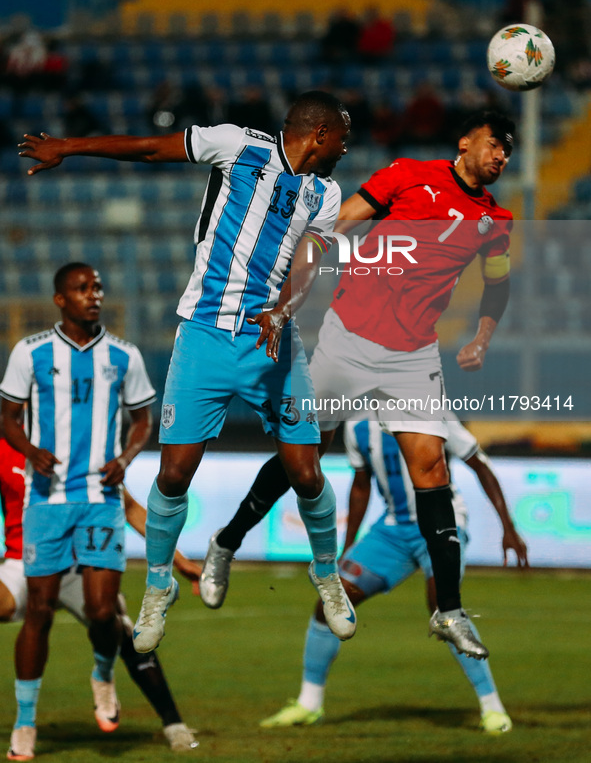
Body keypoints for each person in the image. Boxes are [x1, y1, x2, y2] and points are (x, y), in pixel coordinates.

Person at [17, 91, 356, 654]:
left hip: (274, 340)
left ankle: (327, 576)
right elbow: (152, 149)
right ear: (319, 133)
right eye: (343, 136)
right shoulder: (239, 145)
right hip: (203, 335)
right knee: (174, 474)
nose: (347, 148)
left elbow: (310, 260)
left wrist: (282, 310)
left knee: (307, 470)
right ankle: (157, 587)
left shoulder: (325, 193)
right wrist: (69, 148)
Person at [197, 109, 516, 661]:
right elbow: (334, 227)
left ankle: (450, 610)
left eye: (508, 151)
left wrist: (483, 336)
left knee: (432, 468)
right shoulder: (407, 174)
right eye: (494, 144)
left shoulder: (499, 222)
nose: (501, 156)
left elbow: (496, 289)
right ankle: (226, 541)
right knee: (304, 453)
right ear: (465, 141)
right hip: (350, 337)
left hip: (414, 354)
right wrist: (286, 298)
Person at [259, 416, 528, 734]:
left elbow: (479, 464)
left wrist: (508, 528)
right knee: (330, 603)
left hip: (444, 521)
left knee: (443, 607)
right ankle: (309, 704)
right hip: (393, 531)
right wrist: (348, 546)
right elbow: (361, 485)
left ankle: (493, 709)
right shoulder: (356, 423)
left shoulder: (427, 408)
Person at [0, 263, 157, 761]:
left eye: (98, 288)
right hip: (47, 500)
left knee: (102, 611)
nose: (95, 296)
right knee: (39, 612)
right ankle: (25, 723)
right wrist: (29, 449)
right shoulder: (29, 353)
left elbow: (142, 420)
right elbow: (7, 416)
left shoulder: (124, 355)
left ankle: (103, 675)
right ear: (60, 300)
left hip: (101, 501)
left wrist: (126, 459)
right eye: (83, 289)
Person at [0, 425, 199, 752]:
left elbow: (130, 507)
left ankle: (173, 723)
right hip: (23, 563)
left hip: (82, 567)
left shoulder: (76, 447)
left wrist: (178, 561)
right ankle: (24, 723)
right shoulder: (5, 449)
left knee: (115, 624)